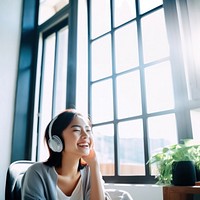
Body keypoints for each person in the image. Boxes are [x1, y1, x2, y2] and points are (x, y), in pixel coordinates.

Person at [21, 108, 111, 200]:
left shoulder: (90, 171)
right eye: (76, 130)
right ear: (56, 140)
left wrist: (94, 165)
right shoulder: (37, 173)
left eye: (88, 130)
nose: (86, 135)